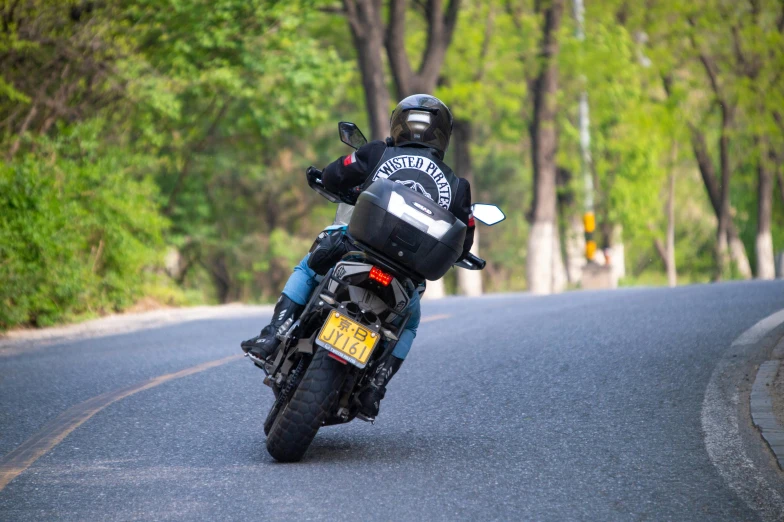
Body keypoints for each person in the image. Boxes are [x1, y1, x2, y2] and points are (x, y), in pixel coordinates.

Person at [241, 94, 474, 416]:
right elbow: (464, 237)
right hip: (405, 274)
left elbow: (335, 175)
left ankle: (273, 334)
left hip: (354, 248)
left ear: (399, 125)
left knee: (309, 269)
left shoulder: (377, 151)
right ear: (443, 135)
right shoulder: (457, 185)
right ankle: (376, 385)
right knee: (408, 324)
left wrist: (333, 180)